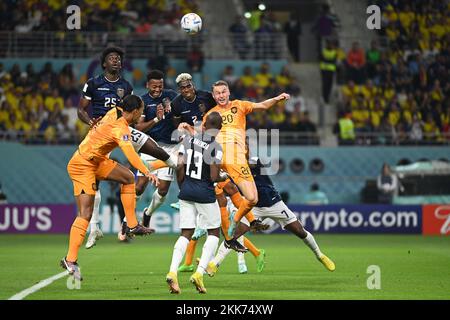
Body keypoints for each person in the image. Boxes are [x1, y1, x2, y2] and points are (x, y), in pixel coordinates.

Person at [78, 47, 176, 249]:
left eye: (118, 58)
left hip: (122, 129)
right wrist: (89, 121)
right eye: (111, 58)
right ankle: (94, 227)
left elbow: (132, 115)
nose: (115, 61)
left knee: (153, 147)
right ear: (104, 63)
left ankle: (174, 163)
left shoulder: (126, 86)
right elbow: (81, 109)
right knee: (93, 181)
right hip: (101, 134)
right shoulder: (93, 84)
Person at [61, 95, 158, 281]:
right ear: (135, 110)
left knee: (128, 177)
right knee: (85, 213)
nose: (143, 113)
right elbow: (130, 154)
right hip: (82, 164)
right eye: (142, 110)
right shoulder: (120, 127)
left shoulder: (115, 111)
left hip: (97, 160)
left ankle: (132, 225)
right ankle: (70, 259)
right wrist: (147, 171)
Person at [206, 155, 335, 276]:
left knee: (299, 231)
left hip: (274, 203)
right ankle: (214, 263)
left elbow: (247, 165)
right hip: (253, 207)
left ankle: (319, 255)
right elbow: (220, 177)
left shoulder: (254, 160)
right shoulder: (232, 166)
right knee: (233, 236)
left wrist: (230, 164)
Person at [204, 80, 290, 242]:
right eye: (218, 93)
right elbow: (203, 135)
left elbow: (263, 106)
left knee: (252, 198)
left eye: (223, 92)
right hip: (221, 156)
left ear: (228, 92)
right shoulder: (210, 115)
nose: (221, 95)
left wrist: (277, 98)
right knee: (214, 187)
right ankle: (193, 206)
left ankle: (234, 221)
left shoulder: (240, 105)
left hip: (237, 159)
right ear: (214, 96)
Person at [165, 112, 227, 294]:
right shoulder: (216, 147)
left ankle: (172, 271)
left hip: (186, 190)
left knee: (186, 233)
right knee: (214, 232)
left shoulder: (188, 140)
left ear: (204, 126)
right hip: (205, 193)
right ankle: (199, 274)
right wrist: (222, 175)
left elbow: (179, 165)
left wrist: (183, 186)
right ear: (219, 129)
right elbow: (214, 177)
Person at [177, 179, 267, 274]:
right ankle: (205, 263)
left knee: (230, 233)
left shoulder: (224, 171)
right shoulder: (216, 171)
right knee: (227, 233)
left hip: (231, 198)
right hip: (220, 198)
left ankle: (236, 262)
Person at [133, 70, 178, 228]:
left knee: (163, 189)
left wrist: (171, 112)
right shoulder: (142, 102)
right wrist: (156, 119)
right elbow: (139, 128)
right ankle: (130, 221)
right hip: (149, 146)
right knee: (139, 186)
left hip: (170, 147)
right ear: (147, 85)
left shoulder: (171, 96)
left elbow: (179, 117)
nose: (158, 89)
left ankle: (148, 213)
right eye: (154, 86)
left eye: (160, 86)